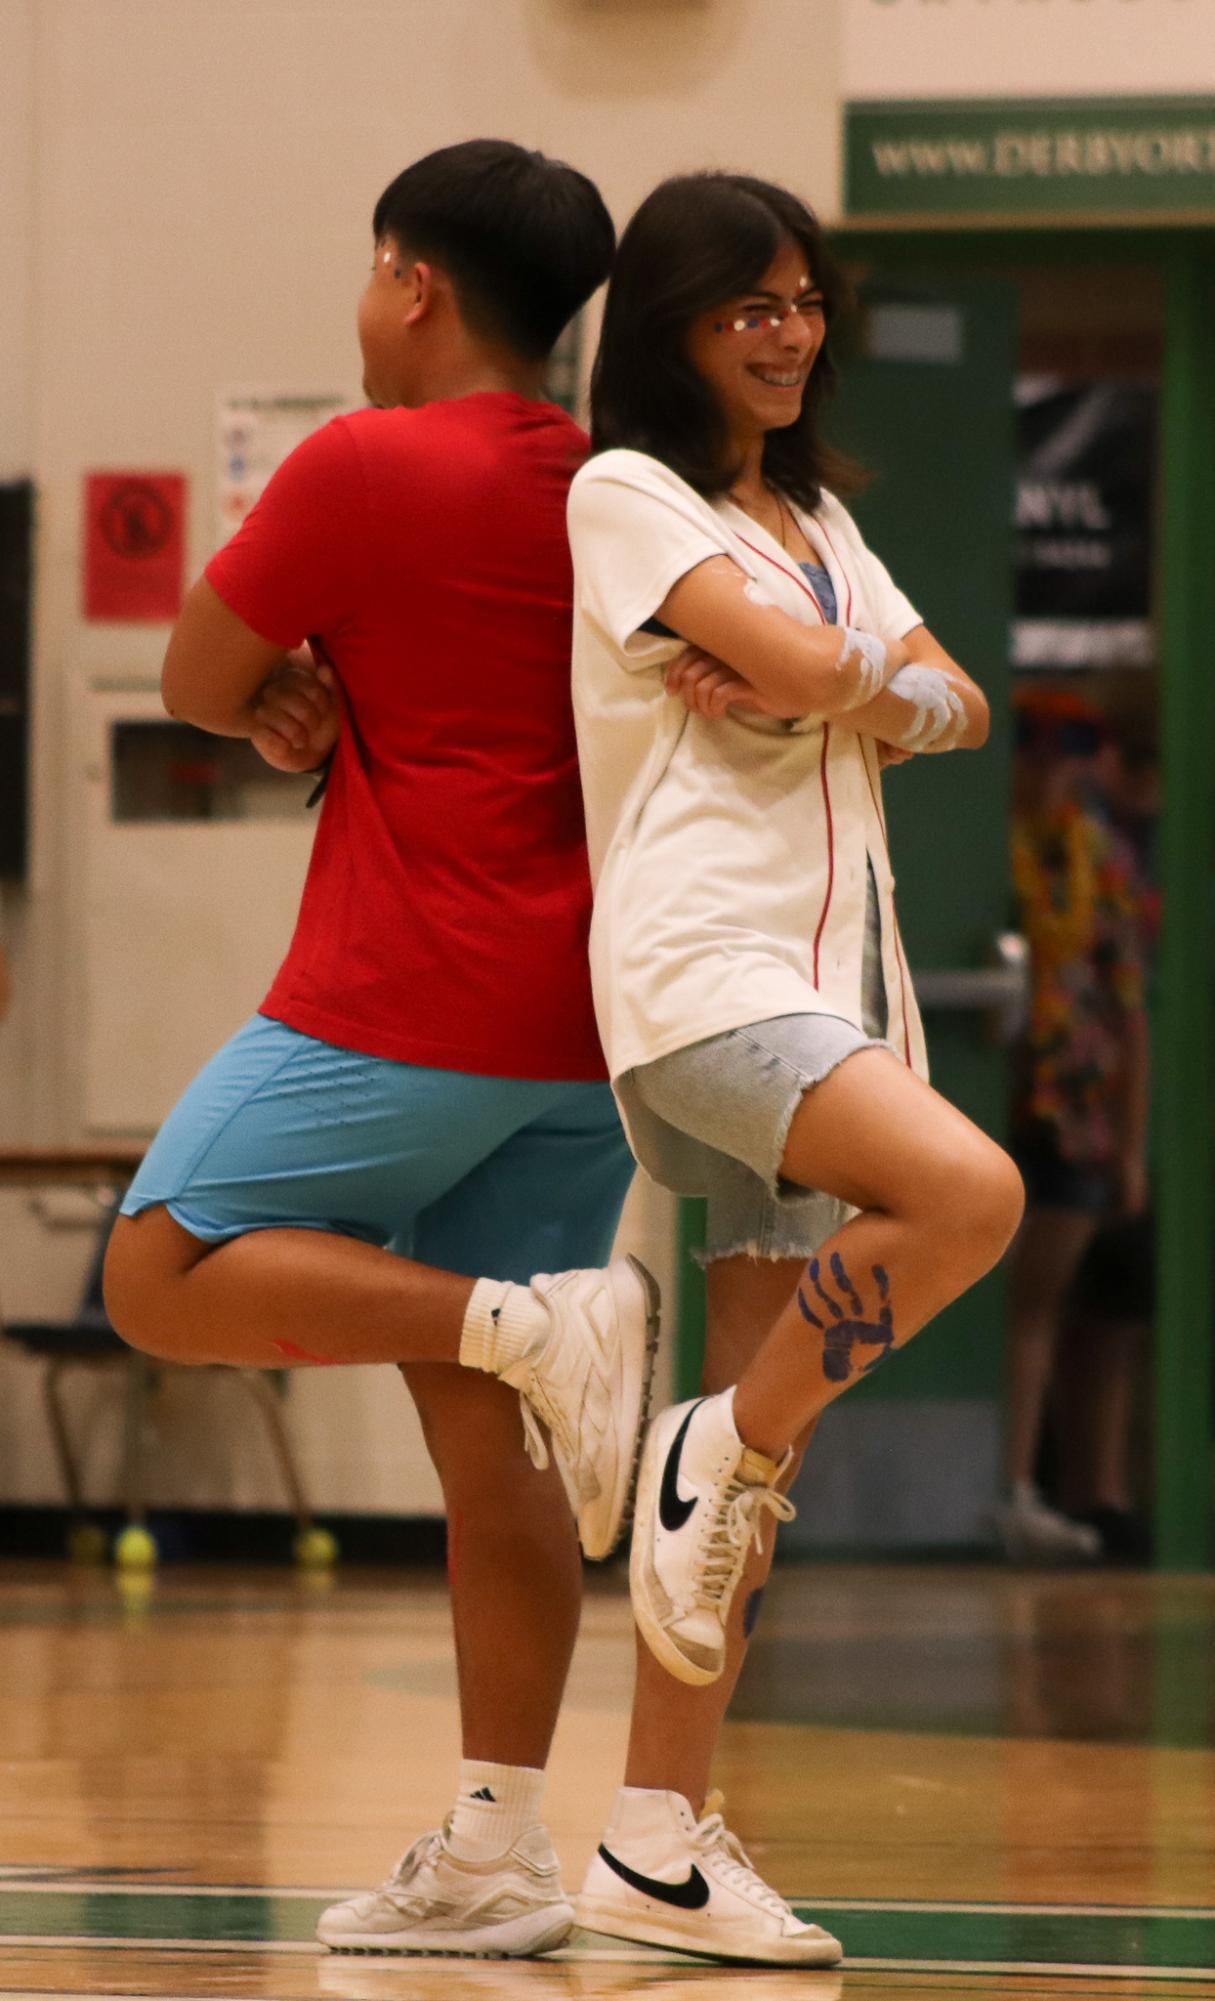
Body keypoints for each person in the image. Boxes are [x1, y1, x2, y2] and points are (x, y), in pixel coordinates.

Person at [102, 140, 659, 1960]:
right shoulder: (616, 488)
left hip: (401, 991)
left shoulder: (360, 463)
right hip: (585, 1025)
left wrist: (277, 693)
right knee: (486, 1448)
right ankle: (504, 1844)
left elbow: (192, 675)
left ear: (413, 284)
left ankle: (525, 1319)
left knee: (157, 1269)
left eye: (369, 271)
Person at [564, 171, 1025, 1964]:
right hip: (709, 980)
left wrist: (856, 680)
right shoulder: (626, 492)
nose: (789, 333)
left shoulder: (821, 513)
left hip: (842, 990)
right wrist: (862, 679)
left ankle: (656, 1842)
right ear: (671, 318)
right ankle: (703, 1447)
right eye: (751, 302)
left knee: (742, 1515)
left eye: (808, 303)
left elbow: (954, 696)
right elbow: (811, 665)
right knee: (969, 1195)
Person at [996, 689, 1151, 1564]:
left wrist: (1128, 1143)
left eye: (1076, 741)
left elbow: (1128, 1012)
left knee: (1040, 1304)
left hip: (1069, 1106)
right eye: (1029, 739)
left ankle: (1021, 1482)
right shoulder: (988, 855)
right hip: (985, 1097)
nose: (1050, 760)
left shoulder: (1102, 862)